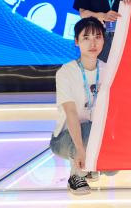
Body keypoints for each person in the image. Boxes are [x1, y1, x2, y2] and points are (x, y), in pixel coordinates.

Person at [50, 17, 115, 194]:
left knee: (112, 168)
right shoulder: (66, 72)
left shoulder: (108, 70)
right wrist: (80, 149)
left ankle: (91, 165)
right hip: (65, 139)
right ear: (76, 42)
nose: (93, 43)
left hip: (96, 133)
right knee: (87, 130)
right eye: (86, 38)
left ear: (104, 40)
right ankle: (76, 175)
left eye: (98, 37)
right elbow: (71, 113)